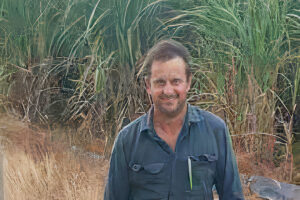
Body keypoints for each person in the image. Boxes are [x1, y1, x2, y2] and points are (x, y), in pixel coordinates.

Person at [104, 39, 244, 200]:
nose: (168, 90)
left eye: (176, 81)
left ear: (188, 82)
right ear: (148, 85)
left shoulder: (215, 130)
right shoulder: (127, 140)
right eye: (160, 82)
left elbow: (232, 195)